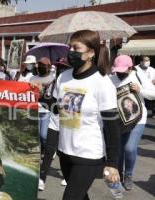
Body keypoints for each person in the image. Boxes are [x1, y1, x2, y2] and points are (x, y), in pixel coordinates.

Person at [53, 30, 120, 200]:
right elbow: (55, 109)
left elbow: (112, 126)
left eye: (76, 48)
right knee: (80, 196)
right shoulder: (63, 77)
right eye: (69, 47)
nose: (71, 52)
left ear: (91, 53)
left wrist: (112, 163)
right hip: (65, 151)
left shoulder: (102, 82)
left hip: (88, 154)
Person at [110, 55, 155, 190]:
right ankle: (118, 175)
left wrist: (140, 90)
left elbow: (153, 93)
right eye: (117, 71)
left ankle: (128, 174)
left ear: (130, 68)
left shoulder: (138, 76)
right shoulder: (110, 80)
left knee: (129, 148)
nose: (119, 73)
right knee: (118, 150)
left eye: (122, 71)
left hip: (138, 119)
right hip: (118, 120)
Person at [38, 58, 71, 191]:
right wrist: (41, 95)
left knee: (65, 152)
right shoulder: (54, 81)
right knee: (49, 150)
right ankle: (42, 178)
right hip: (54, 121)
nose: (60, 69)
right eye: (58, 66)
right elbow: (52, 101)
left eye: (63, 67)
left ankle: (67, 176)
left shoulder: (73, 82)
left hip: (69, 123)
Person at [30, 57, 55, 146]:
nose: (40, 67)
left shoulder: (52, 79)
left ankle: (50, 149)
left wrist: (44, 88)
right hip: (35, 109)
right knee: (36, 135)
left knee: (43, 135)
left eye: (43, 65)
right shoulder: (33, 78)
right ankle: (41, 152)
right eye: (39, 65)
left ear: (48, 67)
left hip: (46, 110)